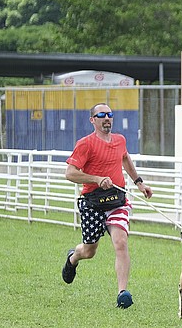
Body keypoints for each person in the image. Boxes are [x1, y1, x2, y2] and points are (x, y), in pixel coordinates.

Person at [62, 103, 153, 309]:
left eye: (110, 115)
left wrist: (140, 183)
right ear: (92, 120)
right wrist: (96, 179)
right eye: (101, 115)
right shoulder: (85, 144)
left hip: (117, 200)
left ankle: (122, 292)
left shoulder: (120, 140)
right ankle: (73, 257)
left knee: (120, 242)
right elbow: (70, 173)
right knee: (89, 251)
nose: (107, 118)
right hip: (92, 202)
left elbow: (125, 158)